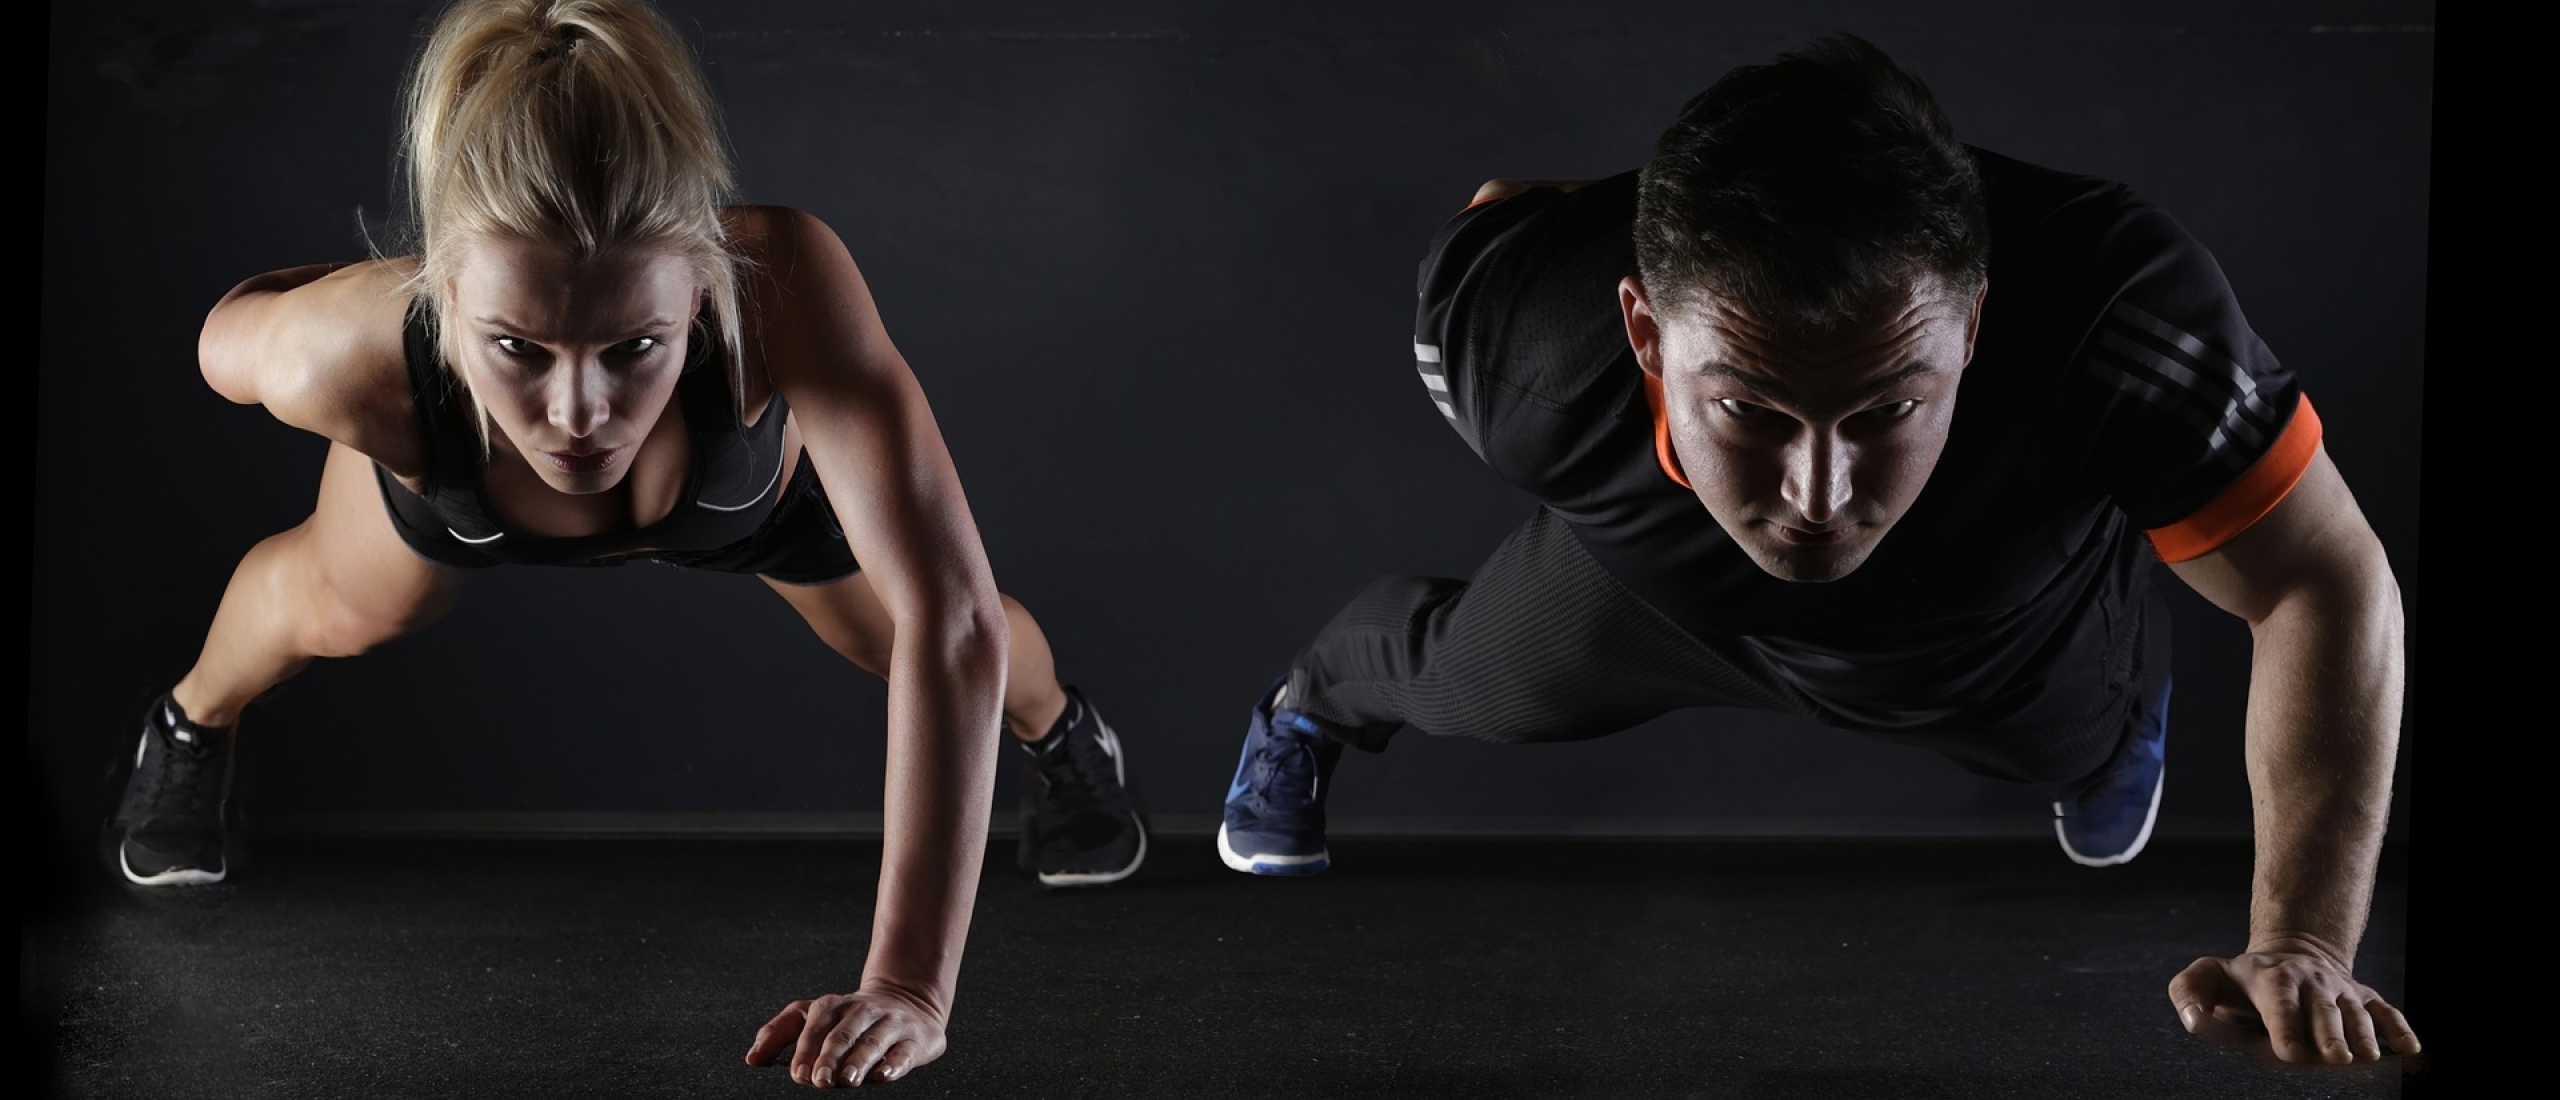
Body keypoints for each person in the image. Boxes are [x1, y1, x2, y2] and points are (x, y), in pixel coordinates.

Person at [1218, 35, 2418, 1067]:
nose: (1817, 493)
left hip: (1987, 635)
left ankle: (2112, 707)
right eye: (1750, 409)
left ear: (1976, 321)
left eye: (1886, 407)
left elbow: (2320, 576)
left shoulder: (2116, 311)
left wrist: (2305, 938)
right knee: (1459, 681)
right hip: (1651, 597)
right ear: (1643, 328)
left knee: (2075, 743)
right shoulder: (1524, 339)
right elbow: (1505, 214)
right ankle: (1307, 705)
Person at [100, 0, 1146, 1086]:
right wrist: (396, 299)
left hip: (746, 512)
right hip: (460, 487)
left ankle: (1065, 735)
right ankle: (187, 727)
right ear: (445, 289)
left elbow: (955, 612)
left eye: (634, 345)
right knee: (340, 607)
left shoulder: (780, 280)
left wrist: (910, 983)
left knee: (901, 636)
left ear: (698, 283)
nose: (580, 412)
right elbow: (231, 326)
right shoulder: (341, 352)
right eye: (519, 346)